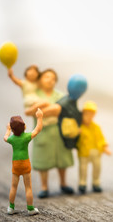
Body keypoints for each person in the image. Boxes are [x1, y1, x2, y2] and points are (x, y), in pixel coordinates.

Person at [25, 69, 74, 198]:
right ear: (40, 79)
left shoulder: (60, 95)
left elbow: (62, 110)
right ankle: (44, 187)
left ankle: (63, 183)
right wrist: (50, 109)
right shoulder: (34, 95)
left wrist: (44, 109)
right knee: (43, 160)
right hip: (42, 131)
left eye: (53, 78)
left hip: (58, 130)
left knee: (62, 158)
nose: (50, 80)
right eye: (47, 77)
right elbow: (30, 111)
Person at [3, 108, 43, 215]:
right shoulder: (26, 137)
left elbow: (5, 138)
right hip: (25, 164)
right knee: (28, 187)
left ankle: (11, 208)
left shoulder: (12, 139)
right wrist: (39, 117)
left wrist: (8, 130)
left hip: (16, 165)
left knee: (13, 187)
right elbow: (37, 129)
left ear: (13, 129)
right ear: (24, 126)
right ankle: (30, 209)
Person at [77, 101, 112, 194]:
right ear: (83, 113)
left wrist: (105, 147)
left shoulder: (96, 127)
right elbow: (74, 139)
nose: (89, 116)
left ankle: (96, 183)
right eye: (87, 113)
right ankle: (82, 183)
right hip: (84, 151)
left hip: (96, 151)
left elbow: (101, 138)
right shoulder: (79, 127)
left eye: (92, 114)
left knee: (97, 167)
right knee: (83, 168)